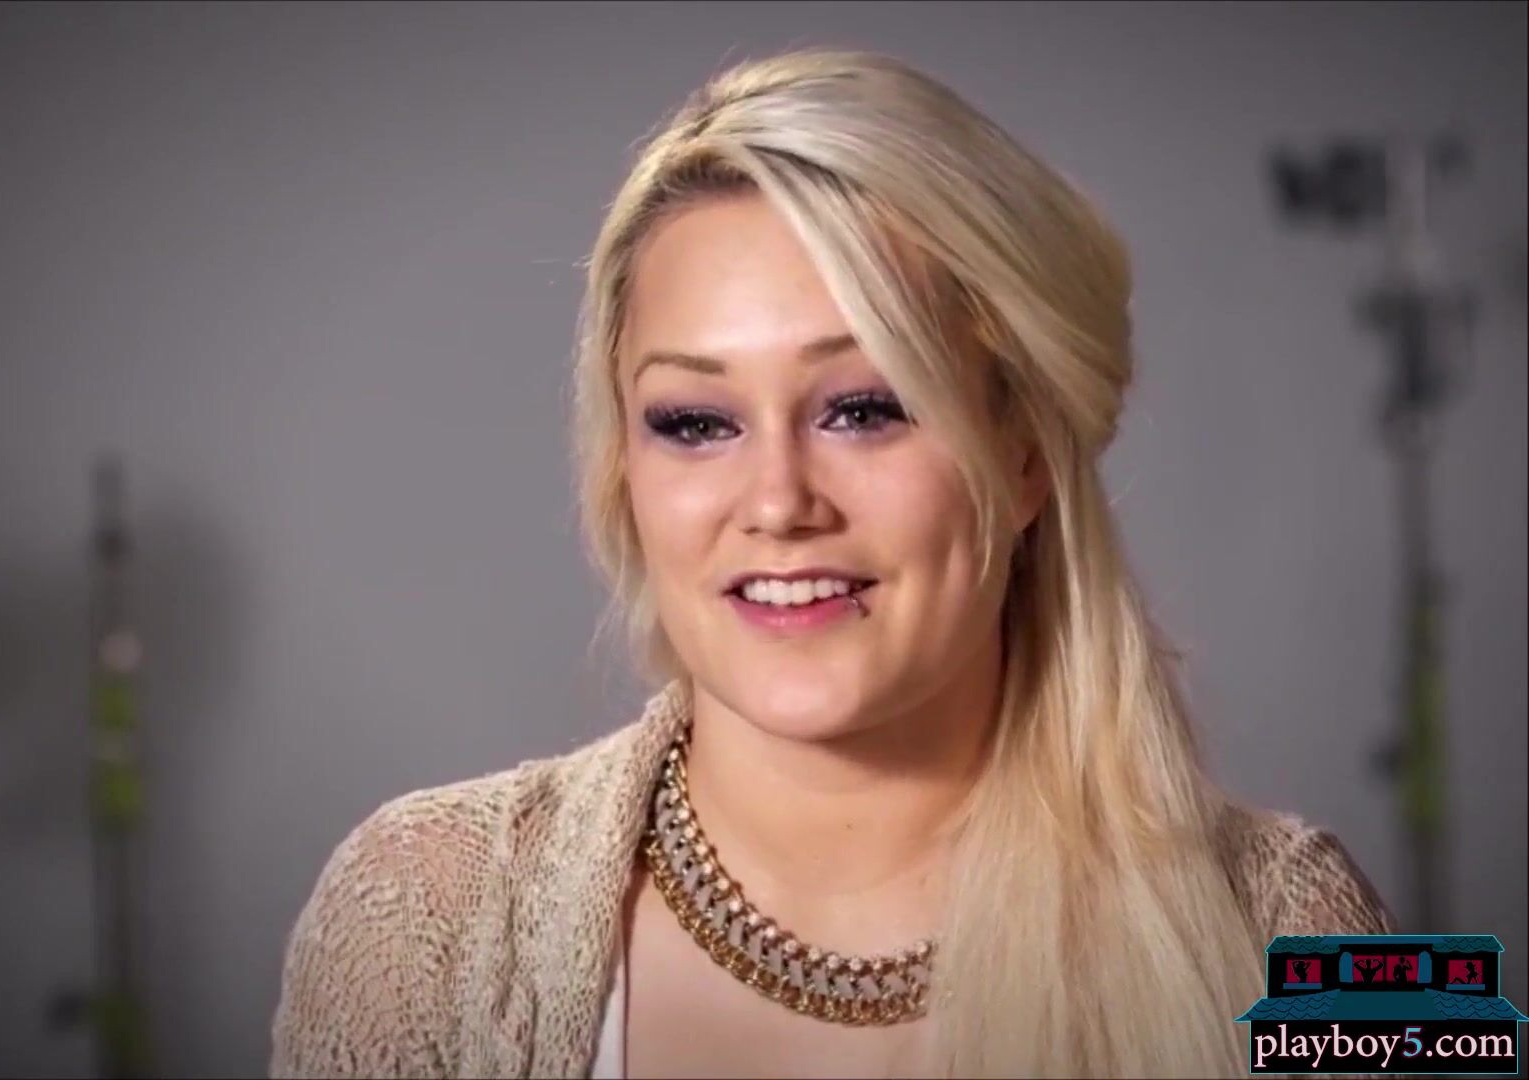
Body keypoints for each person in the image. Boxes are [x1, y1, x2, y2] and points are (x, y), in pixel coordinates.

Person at [269, 47, 1395, 1079]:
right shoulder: (416, 911)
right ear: (623, 472)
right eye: (696, 422)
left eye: (864, 408)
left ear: (1023, 455)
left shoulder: (1308, 934)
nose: (778, 504)